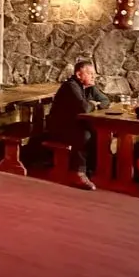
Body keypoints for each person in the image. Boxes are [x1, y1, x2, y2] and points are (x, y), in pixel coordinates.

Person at [44, 58, 111, 189]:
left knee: (97, 132)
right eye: (90, 74)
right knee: (84, 135)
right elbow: (84, 108)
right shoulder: (70, 86)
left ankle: (94, 171)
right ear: (79, 75)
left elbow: (105, 101)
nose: (94, 77)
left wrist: (94, 104)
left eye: (94, 74)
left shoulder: (90, 87)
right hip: (59, 127)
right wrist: (93, 104)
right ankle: (78, 173)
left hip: (75, 124)